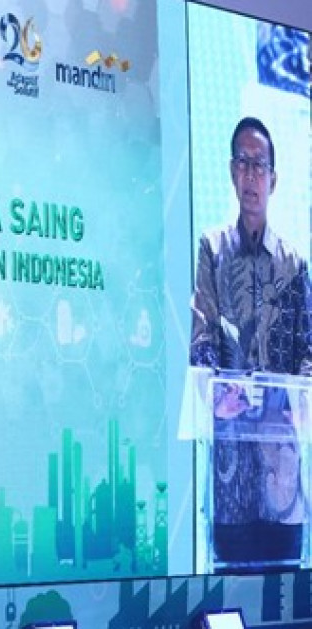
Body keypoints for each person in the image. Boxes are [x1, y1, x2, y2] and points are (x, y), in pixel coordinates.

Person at [189, 116, 312, 569]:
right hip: (232, 479)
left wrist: (301, 400)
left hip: (284, 476)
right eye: (243, 162)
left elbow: (309, 350)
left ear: (273, 179)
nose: (251, 174)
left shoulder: (295, 264)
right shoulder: (213, 249)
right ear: (231, 171)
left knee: (286, 600)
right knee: (229, 595)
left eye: (259, 165)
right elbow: (202, 338)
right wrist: (214, 394)